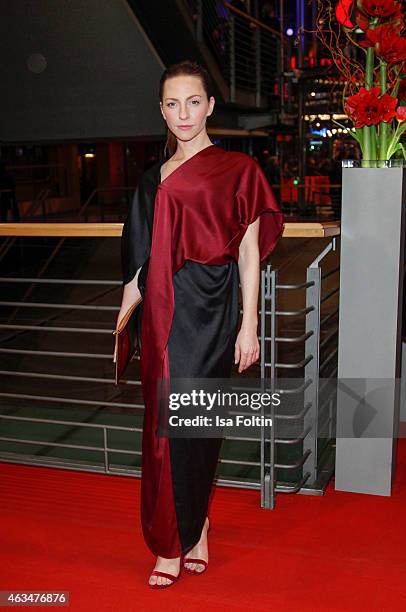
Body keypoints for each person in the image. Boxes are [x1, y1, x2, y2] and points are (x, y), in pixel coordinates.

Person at [116, 60, 284, 588]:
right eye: (172, 104)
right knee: (162, 432)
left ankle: (197, 526)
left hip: (211, 311)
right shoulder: (150, 181)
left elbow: (250, 254)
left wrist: (249, 325)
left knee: (197, 430)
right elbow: (138, 261)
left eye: (193, 102)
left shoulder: (240, 171)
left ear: (210, 106)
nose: (183, 113)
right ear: (162, 111)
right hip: (162, 313)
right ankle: (172, 542)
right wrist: (125, 316)